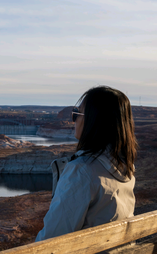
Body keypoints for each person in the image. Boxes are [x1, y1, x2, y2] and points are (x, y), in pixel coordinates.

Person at [35, 86, 138, 242]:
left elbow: (52, 239)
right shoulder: (126, 169)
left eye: (77, 113)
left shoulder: (82, 170)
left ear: (94, 120)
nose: (74, 119)